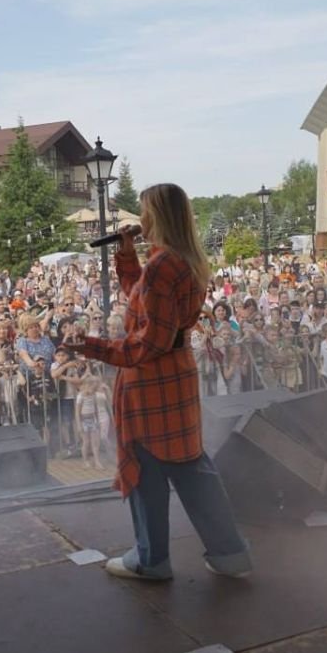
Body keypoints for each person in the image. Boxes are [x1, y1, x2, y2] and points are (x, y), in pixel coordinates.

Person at [71, 183, 252, 581]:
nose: (139, 219)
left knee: (146, 470)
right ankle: (230, 552)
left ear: (157, 215)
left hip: (151, 384)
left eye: (143, 211)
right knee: (191, 467)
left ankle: (151, 559)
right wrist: (127, 256)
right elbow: (147, 305)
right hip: (178, 376)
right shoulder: (185, 260)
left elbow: (148, 341)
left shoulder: (160, 266)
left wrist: (92, 346)